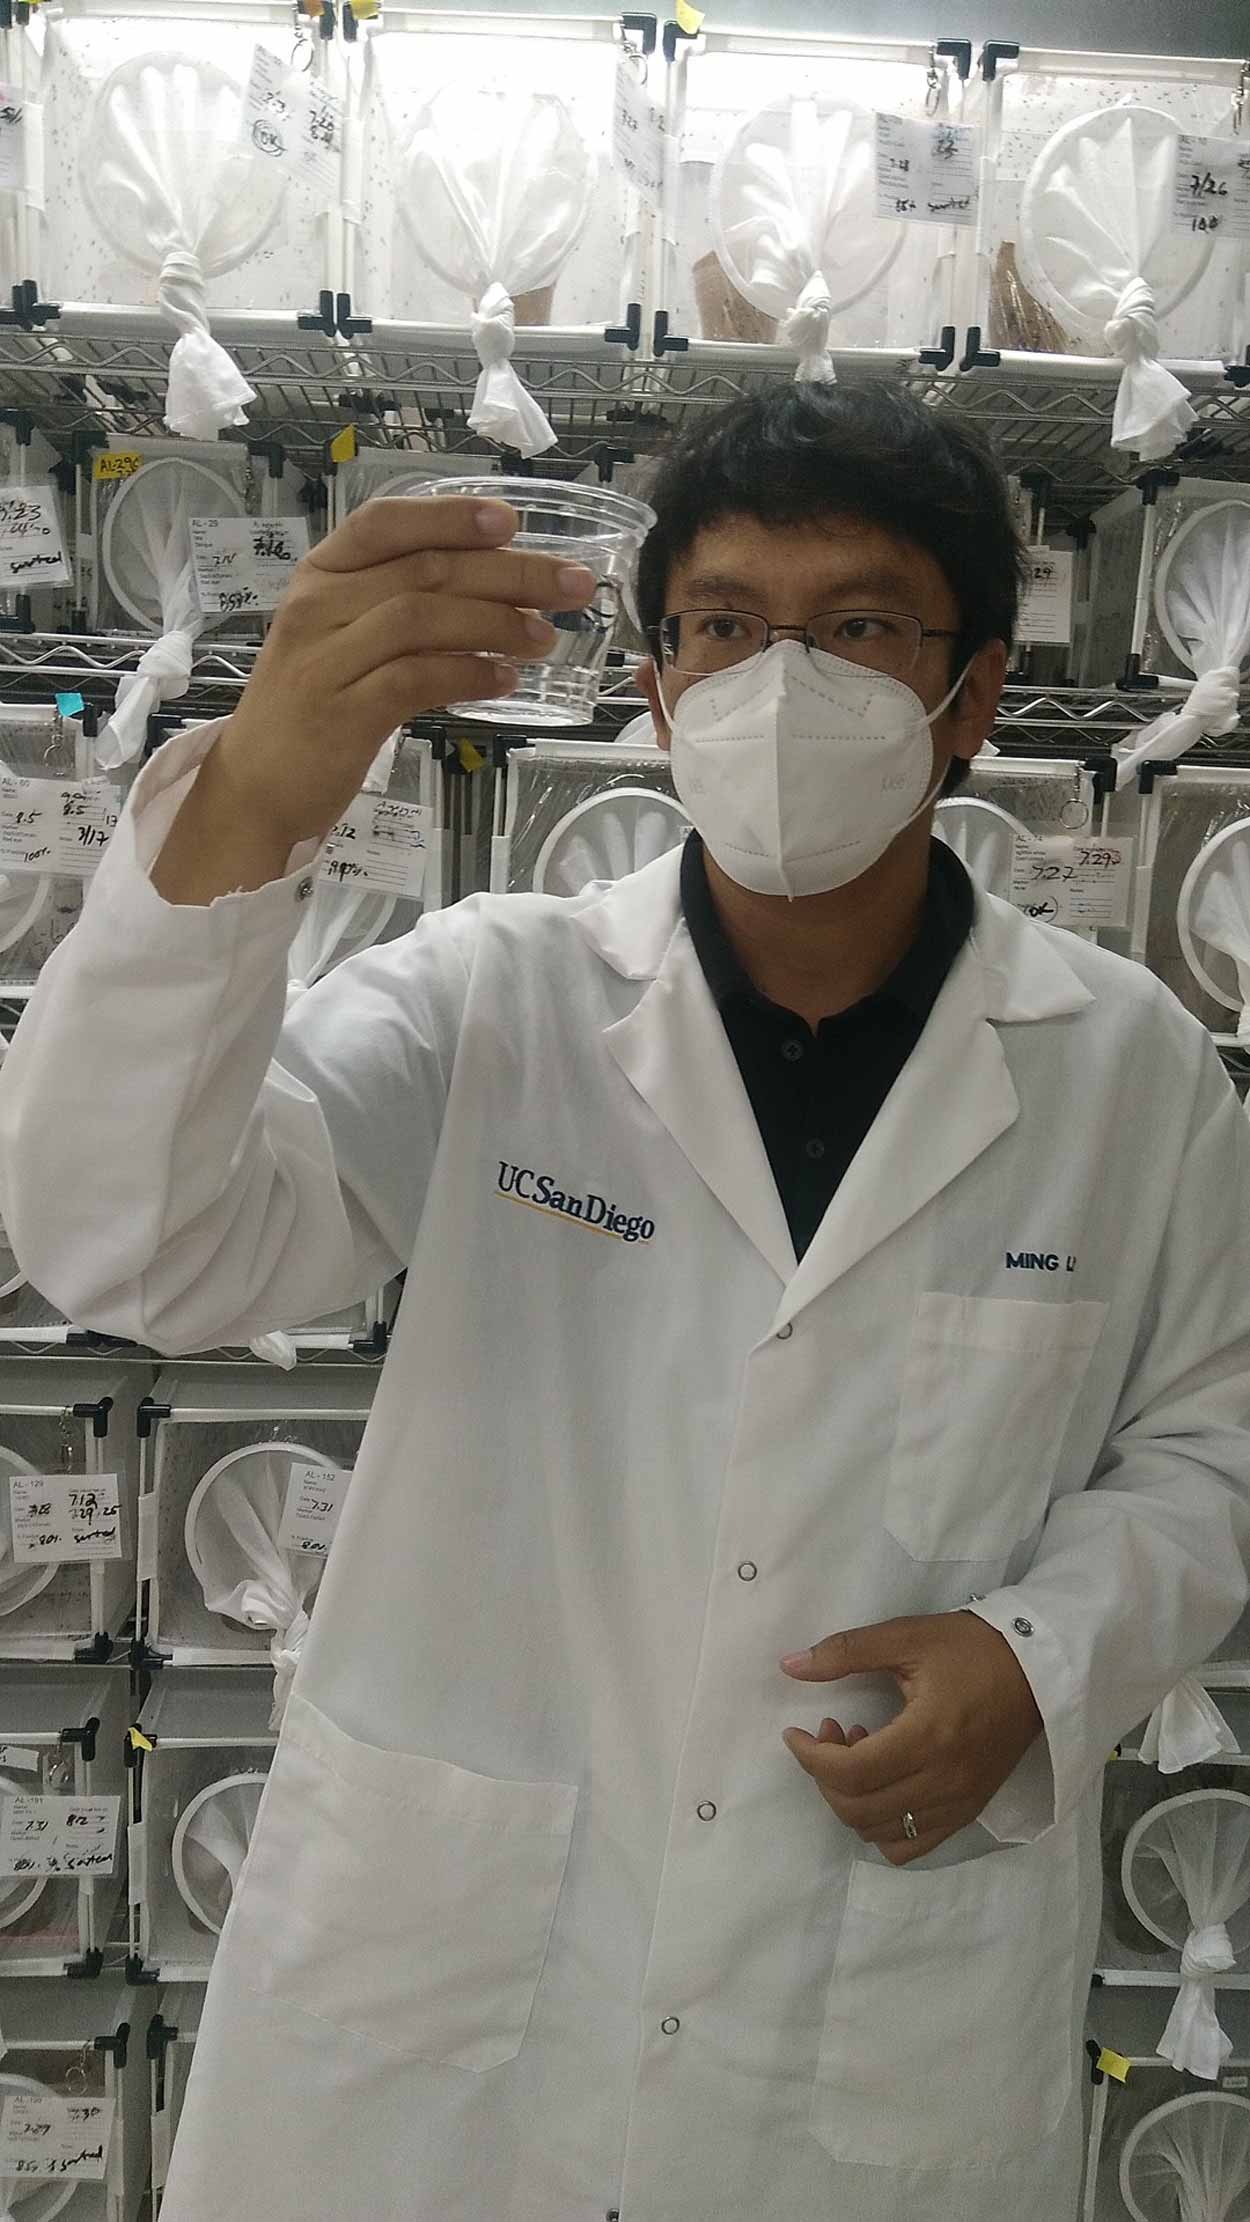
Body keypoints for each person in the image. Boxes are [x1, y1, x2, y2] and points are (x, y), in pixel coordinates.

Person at [2, 383, 1249, 2222]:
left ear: (969, 697)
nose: (777, 679)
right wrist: (249, 804)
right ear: (658, 691)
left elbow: (1215, 1439)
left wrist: (1047, 1655)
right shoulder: (489, 998)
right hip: (452, 1973)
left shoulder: (1124, 1068)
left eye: (857, 628)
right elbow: (134, 1247)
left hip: (869, 1972)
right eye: (726, 627)